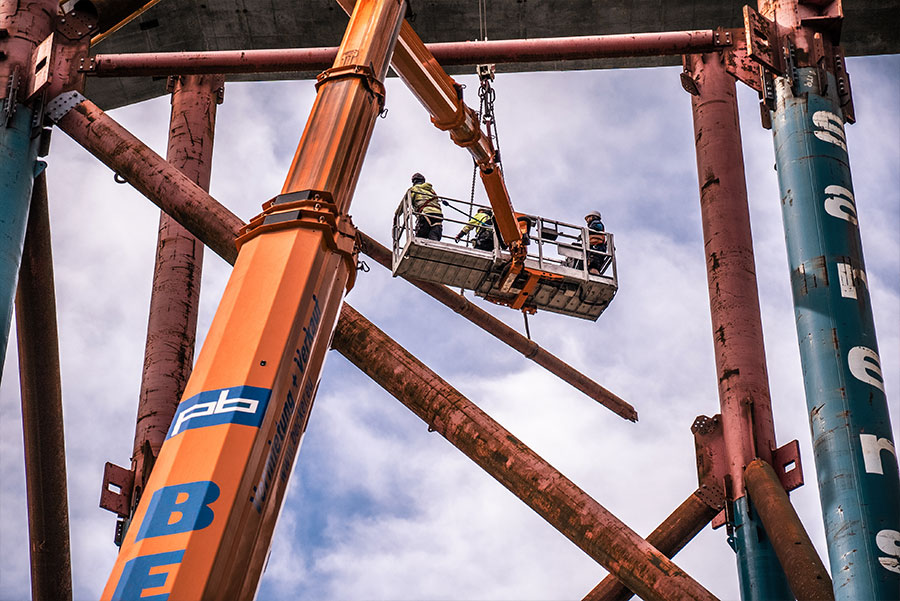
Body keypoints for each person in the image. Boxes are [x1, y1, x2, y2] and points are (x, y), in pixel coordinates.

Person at [405, 173, 443, 241]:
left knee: (420, 239)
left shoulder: (413, 189)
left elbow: (406, 203)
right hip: (438, 215)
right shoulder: (431, 190)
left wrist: (396, 215)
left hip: (425, 213)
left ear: (414, 181)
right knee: (434, 239)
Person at [584, 210, 607, 275]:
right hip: (596, 248)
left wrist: (588, 231)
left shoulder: (596, 223)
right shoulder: (593, 224)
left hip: (597, 248)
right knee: (591, 267)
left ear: (593, 217)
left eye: (588, 218)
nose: (587, 220)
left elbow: (598, 227)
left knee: (593, 266)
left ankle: (596, 277)